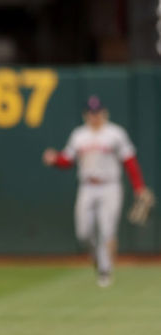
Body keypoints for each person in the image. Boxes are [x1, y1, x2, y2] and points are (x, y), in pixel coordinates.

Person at [42, 95, 152, 287]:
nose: (95, 116)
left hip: (110, 186)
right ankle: (98, 258)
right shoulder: (79, 135)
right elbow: (68, 160)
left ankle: (105, 270)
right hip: (87, 187)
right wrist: (55, 159)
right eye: (91, 112)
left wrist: (138, 187)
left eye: (97, 112)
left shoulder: (115, 133)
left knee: (107, 229)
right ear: (86, 115)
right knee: (83, 232)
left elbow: (130, 162)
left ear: (104, 112)